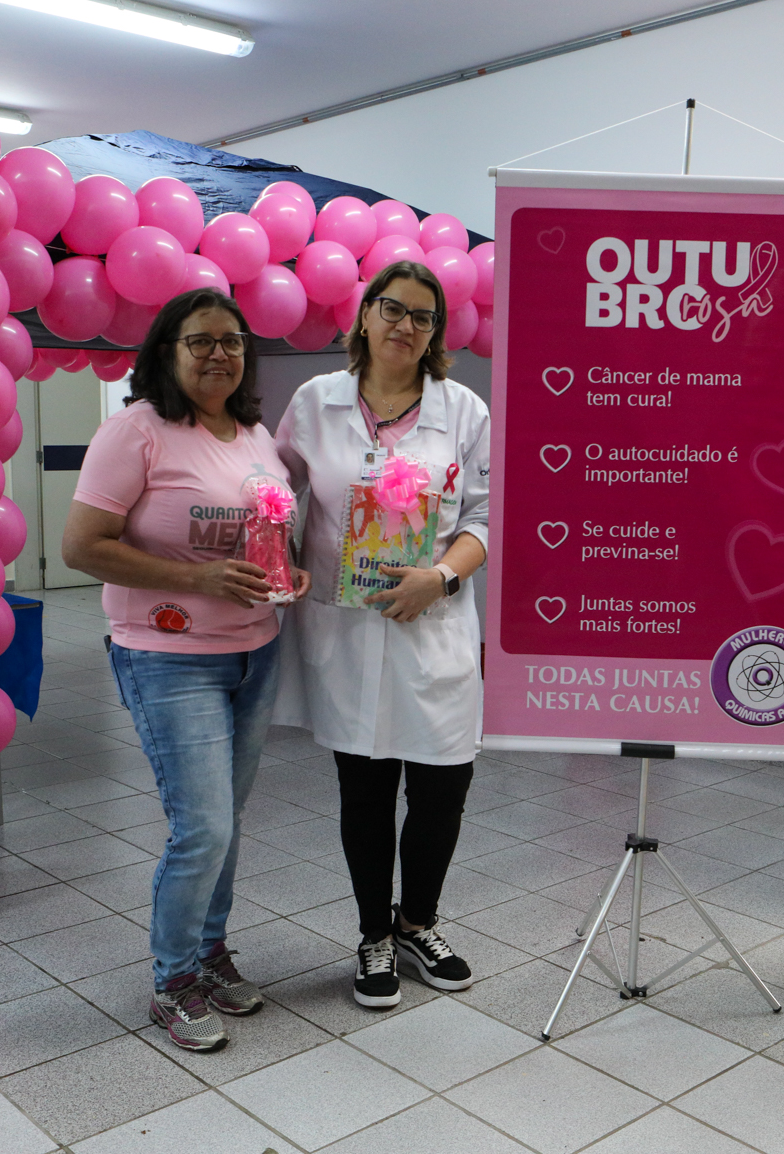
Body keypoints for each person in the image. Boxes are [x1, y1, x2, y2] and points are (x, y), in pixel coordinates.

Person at [62, 287, 309, 1053]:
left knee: (226, 822)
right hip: (167, 654)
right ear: (167, 351)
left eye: (231, 341)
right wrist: (198, 580)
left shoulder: (254, 434)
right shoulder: (136, 431)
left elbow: (267, 531)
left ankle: (208, 953)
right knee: (199, 826)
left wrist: (284, 572)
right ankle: (172, 981)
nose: (219, 354)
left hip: (255, 649)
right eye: (200, 341)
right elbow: (80, 546)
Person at [274, 260, 490, 1008]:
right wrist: (281, 560)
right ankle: (372, 933)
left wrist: (442, 576)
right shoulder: (313, 404)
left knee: (442, 787)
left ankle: (417, 922)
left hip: (434, 629)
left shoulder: (461, 410)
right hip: (347, 633)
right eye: (392, 308)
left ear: (435, 334)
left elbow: (483, 522)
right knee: (363, 790)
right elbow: (270, 494)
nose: (405, 325)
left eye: (423, 316)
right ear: (364, 315)